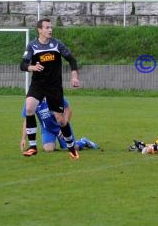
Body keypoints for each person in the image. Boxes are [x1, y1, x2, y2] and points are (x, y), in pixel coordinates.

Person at [20, 18, 80, 159]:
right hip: (38, 85)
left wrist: (74, 76)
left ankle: (71, 147)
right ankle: (33, 146)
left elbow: (72, 60)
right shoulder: (32, 46)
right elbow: (22, 64)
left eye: (51, 27)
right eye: (47, 27)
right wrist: (31, 67)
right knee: (29, 108)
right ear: (39, 30)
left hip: (54, 87)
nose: (50, 30)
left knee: (61, 120)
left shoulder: (57, 44)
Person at [20, 98, 99, 153]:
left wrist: (64, 127)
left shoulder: (54, 94)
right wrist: (23, 138)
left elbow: (68, 110)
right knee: (48, 149)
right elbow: (27, 121)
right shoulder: (31, 102)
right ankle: (52, 144)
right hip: (47, 130)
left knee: (72, 148)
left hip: (61, 127)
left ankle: (83, 141)